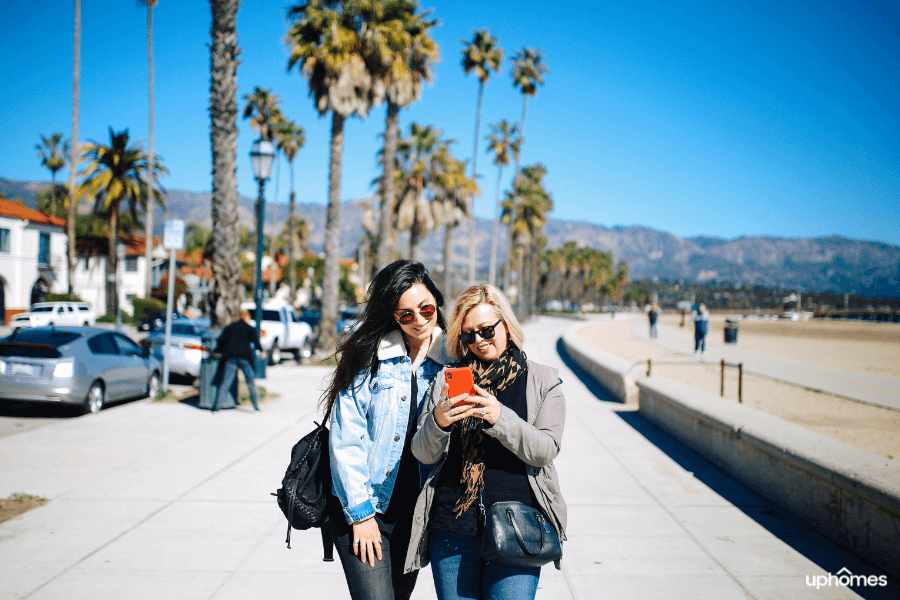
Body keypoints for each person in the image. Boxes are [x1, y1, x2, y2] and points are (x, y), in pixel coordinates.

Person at [406, 284, 567, 600]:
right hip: (452, 529)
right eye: (468, 335)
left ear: (506, 324)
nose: (478, 341)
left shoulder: (542, 380)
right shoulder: (446, 380)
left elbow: (545, 450)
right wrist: (438, 421)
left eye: (486, 330)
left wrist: (499, 418)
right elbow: (422, 452)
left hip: (517, 527)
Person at [324, 260, 450, 600]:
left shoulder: (454, 360)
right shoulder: (369, 357)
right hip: (367, 507)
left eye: (426, 309)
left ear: (437, 302)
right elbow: (346, 438)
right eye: (406, 314)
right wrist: (361, 516)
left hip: (416, 516)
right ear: (392, 315)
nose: (420, 320)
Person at [212, 309, 262, 411]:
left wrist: (219, 351)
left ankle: (218, 406)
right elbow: (256, 343)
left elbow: (220, 341)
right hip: (245, 358)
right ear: (247, 317)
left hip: (231, 357)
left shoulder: (230, 327)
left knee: (226, 382)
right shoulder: (249, 328)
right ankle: (255, 405)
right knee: (250, 382)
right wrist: (261, 350)